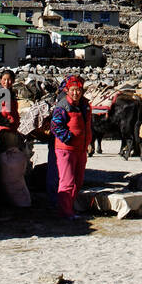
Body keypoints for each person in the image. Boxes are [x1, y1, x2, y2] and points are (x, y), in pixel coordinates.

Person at [50, 75, 93, 221]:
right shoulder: (63, 106)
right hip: (66, 149)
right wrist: (69, 138)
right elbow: (55, 126)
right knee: (67, 181)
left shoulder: (85, 105)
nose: (76, 93)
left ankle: (70, 208)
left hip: (80, 149)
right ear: (68, 90)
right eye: (73, 90)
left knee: (78, 181)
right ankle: (64, 212)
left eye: (78, 90)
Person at [0, 70, 20, 135]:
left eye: (9, 80)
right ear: (0, 80)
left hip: (13, 127)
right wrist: (7, 122)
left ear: (13, 81)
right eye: (4, 79)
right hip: (1, 128)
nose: (7, 82)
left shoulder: (12, 94)